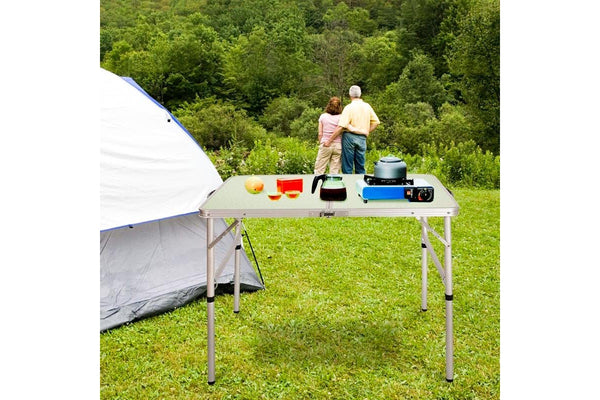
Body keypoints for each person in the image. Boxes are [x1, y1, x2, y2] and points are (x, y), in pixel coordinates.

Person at [324, 85, 379, 174]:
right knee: (360, 166)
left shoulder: (349, 107)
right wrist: (366, 131)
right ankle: (360, 185)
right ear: (360, 94)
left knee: (347, 167)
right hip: (362, 137)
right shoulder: (367, 106)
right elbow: (376, 122)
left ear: (350, 95)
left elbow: (341, 126)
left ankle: (348, 186)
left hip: (349, 137)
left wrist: (329, 140)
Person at [314, 97, 343, 174]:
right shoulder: (341, 117)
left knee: (319, 169)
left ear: (329, 105)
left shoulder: (323, 116)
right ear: (339, 106)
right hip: (338, 145)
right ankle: (333, 185)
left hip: (325, 144)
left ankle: (318, 185)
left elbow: (320, 133)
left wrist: (322, 143)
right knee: (335, 171)